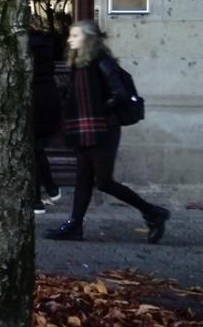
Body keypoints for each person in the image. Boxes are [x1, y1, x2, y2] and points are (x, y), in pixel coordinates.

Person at [45, 20, 169, 243]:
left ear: (89, 39)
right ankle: (75, 225)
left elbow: (119, 94)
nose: (69, 39)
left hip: (103, 129)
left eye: (75, 35)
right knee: (83, 178)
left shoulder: (103, 62)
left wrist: (97, 112)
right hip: (85, 129)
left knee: (104, 182)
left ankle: (152, 212)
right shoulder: (79, 65)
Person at [29, 30, 62, 214]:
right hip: (49, 98)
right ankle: (51, 188)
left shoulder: (27, 49)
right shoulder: (47, 47)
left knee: (32, 152)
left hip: (33, 101)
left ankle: (36, 200)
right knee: (37, 149)